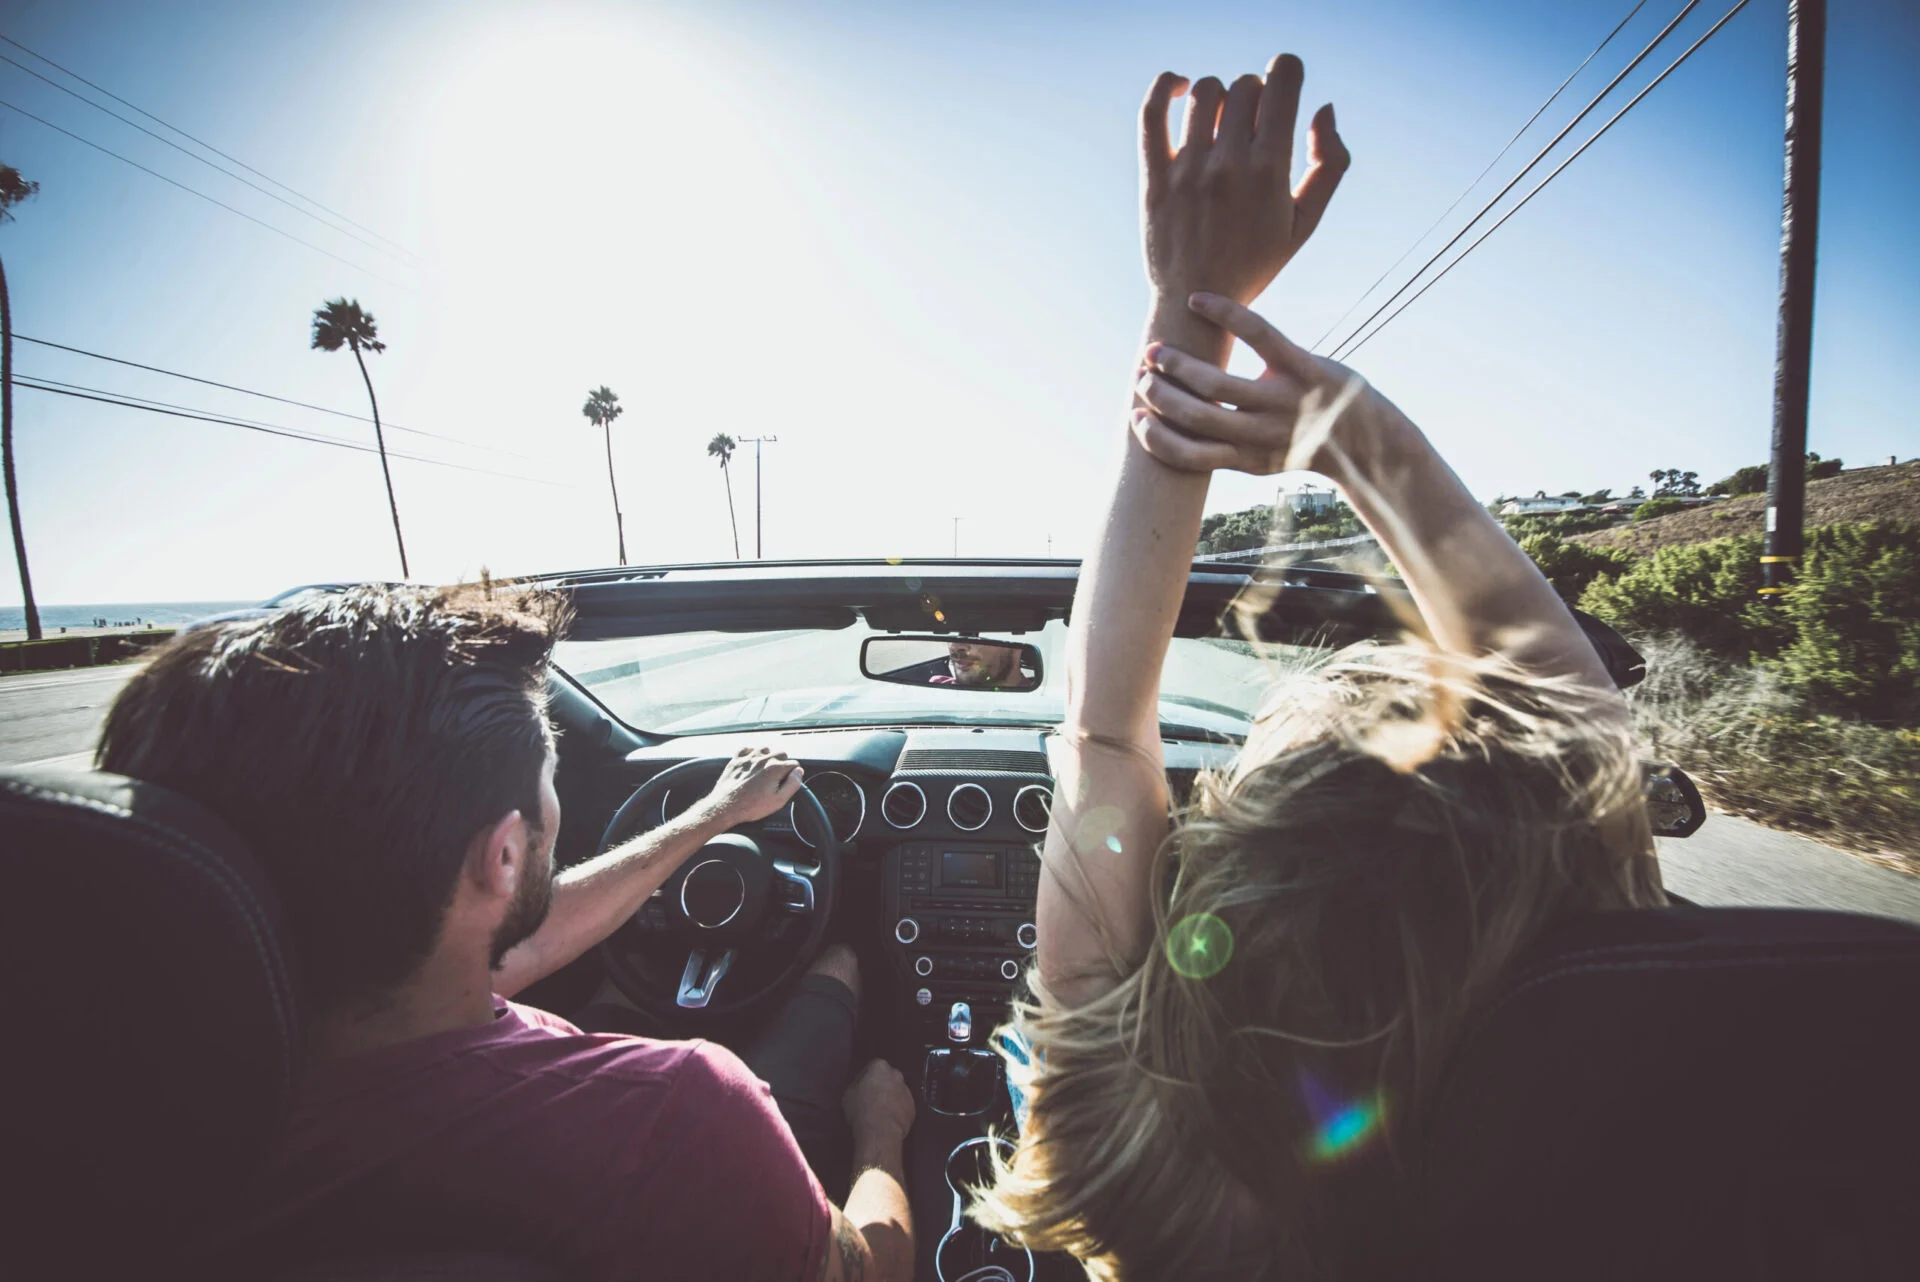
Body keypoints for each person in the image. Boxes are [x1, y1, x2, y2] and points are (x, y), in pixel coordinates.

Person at [971, 54, 1664, 1281]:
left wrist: (1197, 303)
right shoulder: (1605, 1151)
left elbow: (1104, 733)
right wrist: (1361, 439)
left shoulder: (1122, 1155)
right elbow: (1590, 752)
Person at [95, 585, 916, 1282]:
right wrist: (879, 1133)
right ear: (503, 856)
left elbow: (521, 941)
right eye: (550, 788)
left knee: (604, 985)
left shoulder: (98, 1104)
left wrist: (712, 817)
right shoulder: (683, 1115)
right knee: (838, 962)